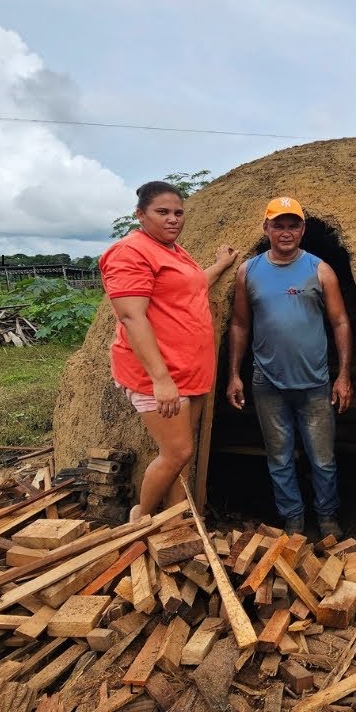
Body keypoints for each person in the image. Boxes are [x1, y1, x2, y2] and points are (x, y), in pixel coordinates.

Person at [99, 181, 238, 522]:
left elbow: (189, 287)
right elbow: (132, 316)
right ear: (140, 214)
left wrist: (219, 266)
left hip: (189, 370)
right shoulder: (130, 252)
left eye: (178, 212)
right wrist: (161, 379)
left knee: (181, 455)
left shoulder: (173, 250)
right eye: (162, 212)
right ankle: (141, 516)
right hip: (158, 374)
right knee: (178, 451)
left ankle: (175, 519)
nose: (173, 219)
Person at [226, 197, 353, 538]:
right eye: (278, 225)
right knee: (280, 457)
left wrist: (343, 376)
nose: (286, 232)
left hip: (314, 383)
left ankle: (327, 518)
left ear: (303, 229)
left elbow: (340, 321)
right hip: (267, 383)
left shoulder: (319, 269)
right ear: (266, 228)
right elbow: (239, 324)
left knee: (322, 458)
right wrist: (234, 374)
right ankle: (293, 519)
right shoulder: (248, 271)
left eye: (292, 225)